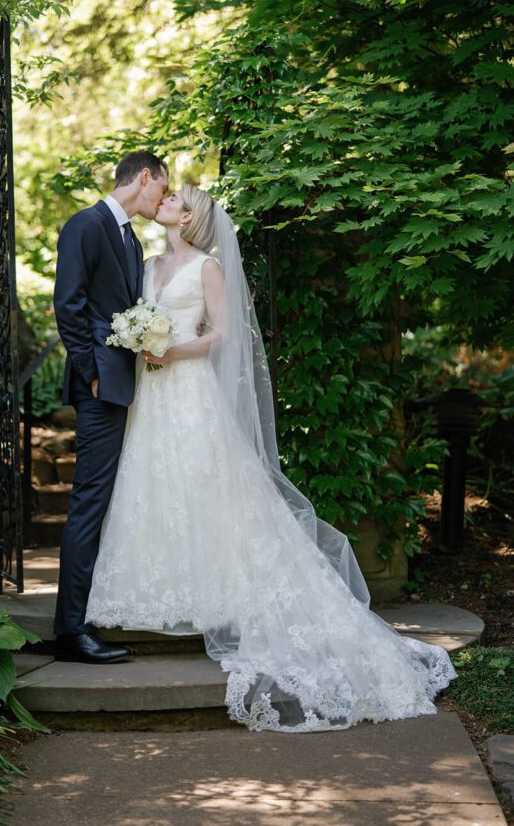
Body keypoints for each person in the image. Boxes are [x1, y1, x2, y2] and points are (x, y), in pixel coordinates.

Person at [86, 183, 457, 732]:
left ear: (187, 217)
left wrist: (169, 348)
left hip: (187, 388)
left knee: (205, 485)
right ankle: (156, 590)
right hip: (152, 392)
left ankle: (220, 589)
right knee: (153, 484)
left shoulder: (208, 267)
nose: (162, 198)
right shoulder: (148, 262)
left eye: (172, 199)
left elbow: (224, 333)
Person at [52, 150, 168, 664]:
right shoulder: (87, 224)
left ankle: (89, 612)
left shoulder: (131, 238)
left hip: (123, 383)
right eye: (162, 189)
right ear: (144, 178)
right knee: (90, 501)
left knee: (107, 500)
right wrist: (91, 373)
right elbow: (68, 306)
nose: (162, 199)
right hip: (99, 386)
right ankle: (70, 630)